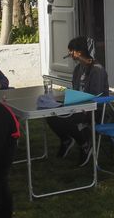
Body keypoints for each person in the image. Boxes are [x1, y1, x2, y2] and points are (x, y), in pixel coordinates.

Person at [45, 36, 108, 167]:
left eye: (71, 51)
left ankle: (85, 144)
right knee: (50, 114)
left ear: (79, 52)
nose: (69, 54)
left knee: (67, 118)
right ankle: (66, 140)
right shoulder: (78, 69)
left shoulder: (97, 70)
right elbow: (75, 89)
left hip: (95, 109)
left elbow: (95, 96)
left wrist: (75, 101)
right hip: (78, 105)